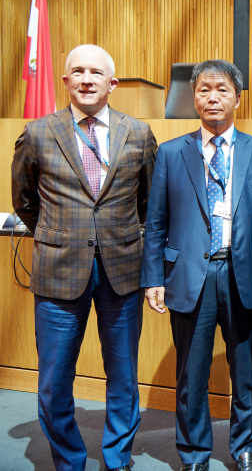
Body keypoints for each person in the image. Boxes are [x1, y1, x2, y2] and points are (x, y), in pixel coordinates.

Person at [11, 44, 157, 471]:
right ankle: (70, 460)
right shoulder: (38, 132)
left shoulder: (139, 132)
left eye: (96, 72)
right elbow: (23, 200)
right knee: (55, 382)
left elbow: (148, 202)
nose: (87, 79)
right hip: (58, 272)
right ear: (66, 80)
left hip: (123, 271)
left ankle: (117, 458)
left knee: (124, 378)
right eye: (78, 71)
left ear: (113, 83)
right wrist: (56, 235)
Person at [141, 60, 252, 471]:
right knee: (191, 375)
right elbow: (156, 221)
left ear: (238, 97)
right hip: (188, 277)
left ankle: (246, 448)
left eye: (221, 89)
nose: (212, 97)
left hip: (243, 277)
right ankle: (194, 453)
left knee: (248, 373)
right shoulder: (169, 153)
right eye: (203, 89)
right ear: (193, 97)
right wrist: (153, 278)